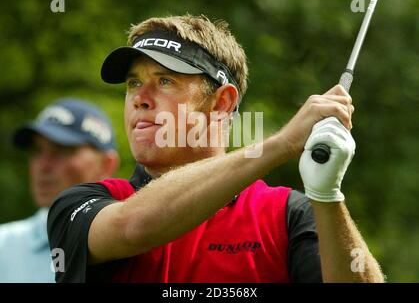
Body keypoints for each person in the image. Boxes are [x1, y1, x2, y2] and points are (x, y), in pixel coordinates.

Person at [48, 15, 384, 283]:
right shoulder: (82, 203)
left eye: (165, 80)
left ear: (222, 103)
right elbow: (133, 226)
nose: (139, 98)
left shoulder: (286, 214)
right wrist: (282, 144)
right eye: (134, 82)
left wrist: (326, 196)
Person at [0, 98, 119, 282]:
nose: (43, 166)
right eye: (37, 151)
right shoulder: (4, 246)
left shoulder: (136, 246)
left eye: (62, 150)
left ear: (106, 165)